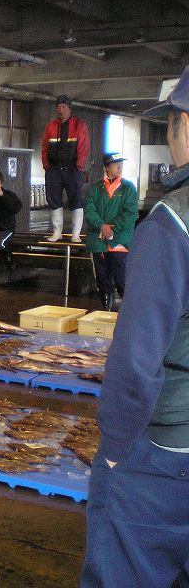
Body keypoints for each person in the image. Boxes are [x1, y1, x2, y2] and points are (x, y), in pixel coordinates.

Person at [80, 65, 189, 588]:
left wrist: (117, 448)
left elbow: (136, 359)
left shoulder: (172, 224)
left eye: (169, 124)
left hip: (169, 450)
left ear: (184, 125)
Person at [83, 153, 138, 311]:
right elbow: (90, 210)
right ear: (106, 167)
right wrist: (102, 226)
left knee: (122, 278)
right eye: (115, 164)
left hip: (120, 240)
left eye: (121, 163)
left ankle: (129, 312)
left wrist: (112, 229)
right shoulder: (95, 189)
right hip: (99, 242)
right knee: (102, 277)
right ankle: (106, 308)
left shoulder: (128, 188)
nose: (119, 167)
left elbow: (131, 213)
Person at [41, 94, 90, 242]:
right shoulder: (51, 126)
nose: (60, 110)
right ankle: (57, 233)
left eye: (63, 107)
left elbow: (84, 146)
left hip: (72, 169)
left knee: (76, 200)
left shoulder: (79, 125)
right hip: (54, 169)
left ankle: (76, 234)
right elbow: (44, 146)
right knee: (54, 200)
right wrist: (46, 165)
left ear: (69, 108)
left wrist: (79, 165)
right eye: (58, 107)